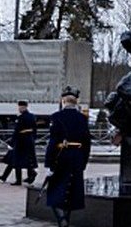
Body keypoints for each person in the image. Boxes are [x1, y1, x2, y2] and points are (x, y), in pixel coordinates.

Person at [43, 88, 90, 227]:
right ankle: (66, 220)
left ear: (63, 101)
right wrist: (84, 162)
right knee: (71, 193)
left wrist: (48, 164)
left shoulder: (56, 116)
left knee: (54, 191)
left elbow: (52, 142)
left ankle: (62, 220)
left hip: (61, 156)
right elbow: (87, 142)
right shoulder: (82, 118)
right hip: (76, 157)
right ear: (76, 102)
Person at [0, 100, 38, 186]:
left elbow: (17, 131)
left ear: (24, 107)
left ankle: (19, 180)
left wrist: (11, 143)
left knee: (17, 160)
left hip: (21, 141)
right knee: (27, 159)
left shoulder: (21, 117)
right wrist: (32, 138)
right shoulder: (32, 116)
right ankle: (29, 175)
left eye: (21, 107)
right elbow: (35, 130)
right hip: (29, 140)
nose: (19, 108)